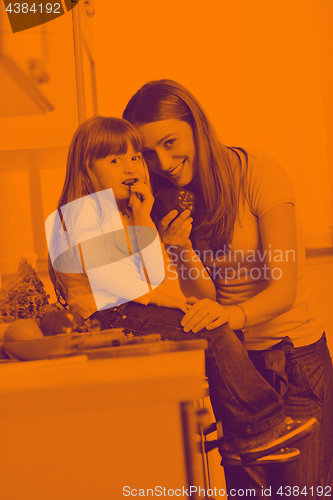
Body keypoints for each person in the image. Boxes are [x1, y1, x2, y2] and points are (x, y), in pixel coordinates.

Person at [46, 115, 317, 471]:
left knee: (218, 325)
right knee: (207, 324)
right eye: (114, 160)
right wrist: (179, 303)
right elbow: (126, 286)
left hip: (129, 309)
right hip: (104, 318)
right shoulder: (79, 217)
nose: (131, 166)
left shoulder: (125, 214)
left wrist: (143, 217)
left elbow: (151, 276)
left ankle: (240, 436)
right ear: (87, 169)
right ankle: (263, 425)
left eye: (135, 158)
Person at [122, 81, 333, 496]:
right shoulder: (173, 198)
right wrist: (179, 248)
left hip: (293, 363)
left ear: (197, 127)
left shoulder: (260, 173)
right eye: (148, 153)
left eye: (170, 142)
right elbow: (209, 299)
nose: (162, 161)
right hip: (237, 372)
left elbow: (283, 288)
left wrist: (230, 316)